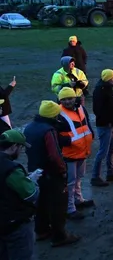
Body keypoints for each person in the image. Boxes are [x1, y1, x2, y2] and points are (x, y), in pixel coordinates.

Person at [23, 100, 80, 247]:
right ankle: (59, 235)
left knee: (41, 202)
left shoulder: (29, 128)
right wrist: (62, 171)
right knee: (58, 204)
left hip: (35, 171)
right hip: (51, 173)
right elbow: (54, 155)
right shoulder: (48, 131)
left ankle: (41, 230)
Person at [0, 129, 40, 260]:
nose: (21, 151)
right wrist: (32, 181)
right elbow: (31, 194)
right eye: (21, 147)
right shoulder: (11, 169)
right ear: (13, 146)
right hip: (15, 224)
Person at [56, 87, 95, 220]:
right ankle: (70, 208)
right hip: (69, 154)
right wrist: (67, 141)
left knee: (79, 178)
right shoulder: (58, 113)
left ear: (75, 98)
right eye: (64, 99)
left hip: (81, 150)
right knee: (70, 182)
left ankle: (78, 199)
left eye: (70, 98)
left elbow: (86, 123)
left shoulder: (81, 108)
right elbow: (55, 134)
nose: (67, 101)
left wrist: (91, 135)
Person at [91, 69, 113, 187]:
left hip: (112, 124)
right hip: (106, 125)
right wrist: (110, 121)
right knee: (103, 151)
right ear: (107, 78)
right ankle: (95, 176)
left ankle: (110, 172)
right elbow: (99, 110)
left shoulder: (108, 88)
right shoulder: (100, 91)